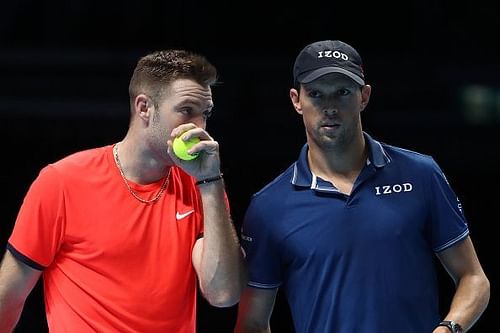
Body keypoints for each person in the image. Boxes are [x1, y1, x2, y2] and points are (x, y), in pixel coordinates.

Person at [234, 40, 490, 333]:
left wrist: (448, 329)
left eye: (342, 92)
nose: (329, 107)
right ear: (296, 100)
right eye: (316, 94)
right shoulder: (269, 206)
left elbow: (473, 278)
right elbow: (252, 323)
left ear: (364, 96)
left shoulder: (420, 174)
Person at [0, 49, 246, 332]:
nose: (200, 127)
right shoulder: (61, 182)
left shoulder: (202, 186)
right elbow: (9, 296)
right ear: (144, 108)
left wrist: (212, 183)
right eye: (186, 111)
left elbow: (223, 295)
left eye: (206, 114)